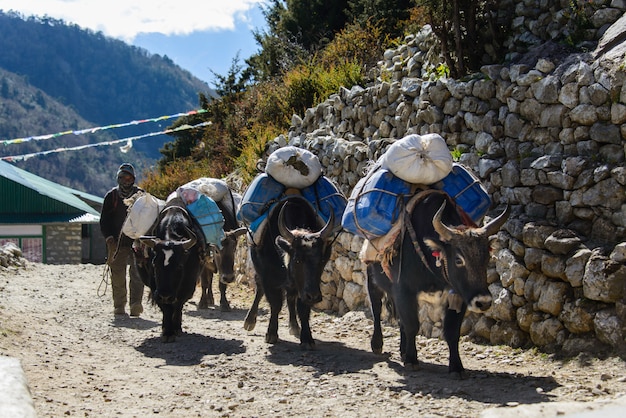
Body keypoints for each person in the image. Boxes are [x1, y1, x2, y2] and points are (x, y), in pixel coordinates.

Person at [99, 163, 145, 316]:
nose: (126, 180)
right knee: (118, 274)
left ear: (133, 179)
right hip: (116, 243)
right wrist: (109, 237)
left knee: (137, 274)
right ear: (118, 178)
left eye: (129, 177)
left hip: (137, 242)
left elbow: (148, 218)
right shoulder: (111, 196)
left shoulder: (142, 196)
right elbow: (104, 220)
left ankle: (136, 304)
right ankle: (119, 305)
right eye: (122, 177)